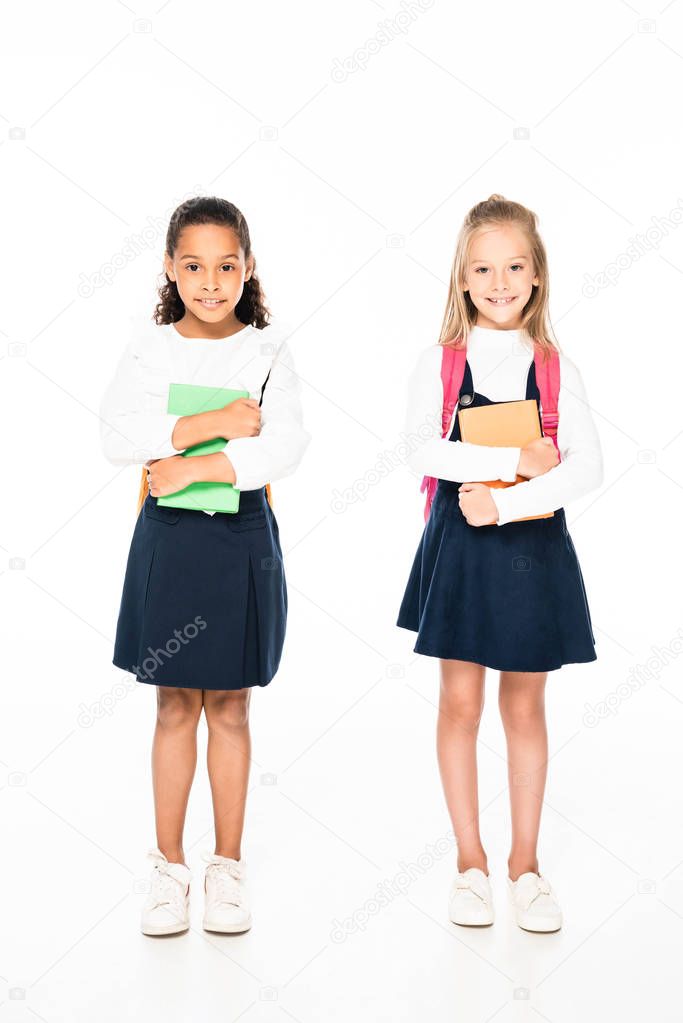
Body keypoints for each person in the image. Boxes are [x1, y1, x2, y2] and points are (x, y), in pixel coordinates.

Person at [100, 196, 310, 936]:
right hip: (169, 540)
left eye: (226, 265)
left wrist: (203, 464)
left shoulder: (267, 348)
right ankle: (168, 868)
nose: (211, 282)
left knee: (229, 703)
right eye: (194, 265)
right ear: (169, 267)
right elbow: (117, 431)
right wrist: (209, 425)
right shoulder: (149, 346)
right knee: (172, 704)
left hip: (239, 540)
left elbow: (285, 443)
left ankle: (226, 866)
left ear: (247, 267)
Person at [396, 194, 603, 932]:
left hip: (530, 550)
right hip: (460, 552)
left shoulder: (552, 366)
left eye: (514, 265)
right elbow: (421, 446)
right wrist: (510, 459)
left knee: (524, 706)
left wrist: (507, 503)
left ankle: (525, 865)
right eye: (482, 267)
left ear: (537, 274)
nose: (498, 280)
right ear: (460, 278)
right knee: (459, 704)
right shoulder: (441, 362)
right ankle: (469, 864)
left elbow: (585, 469)